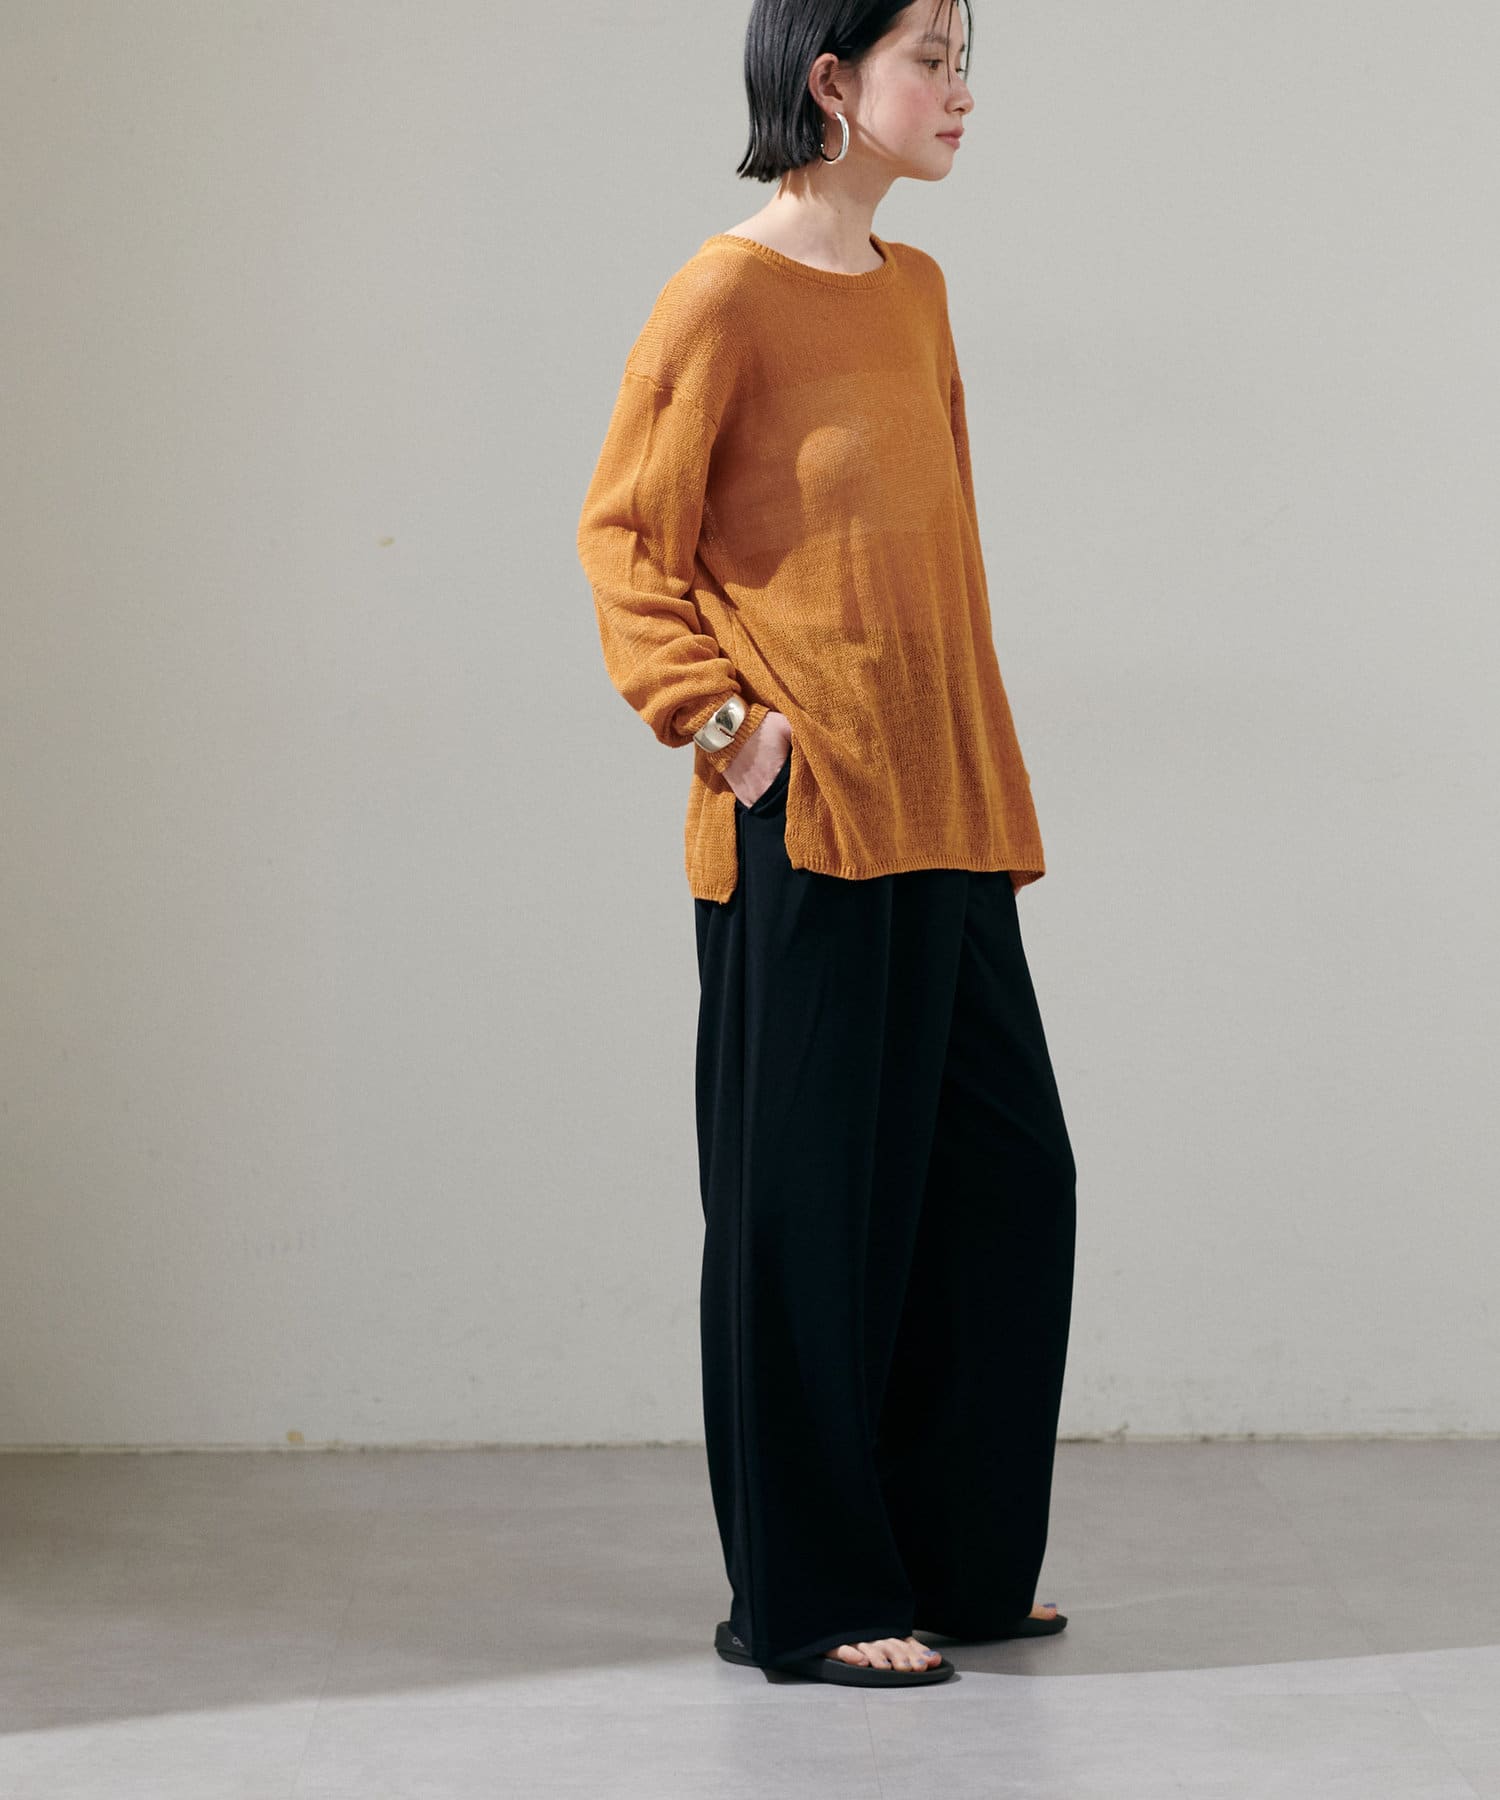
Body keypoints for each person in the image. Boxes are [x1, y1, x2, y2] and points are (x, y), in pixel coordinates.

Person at [575, 0, 1076, 1690]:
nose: (962, 90)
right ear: (831, 78)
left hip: (945, 801)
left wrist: (981, 764)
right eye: (933, 56)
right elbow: (624, 540)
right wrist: (725, 726)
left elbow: (940, 558)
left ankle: (951, 1565)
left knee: (1006, 1188)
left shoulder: (915, 290)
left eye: (963, 56)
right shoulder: (720, 296)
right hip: (808, 816)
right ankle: (802, 1597)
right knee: (806, 1213)